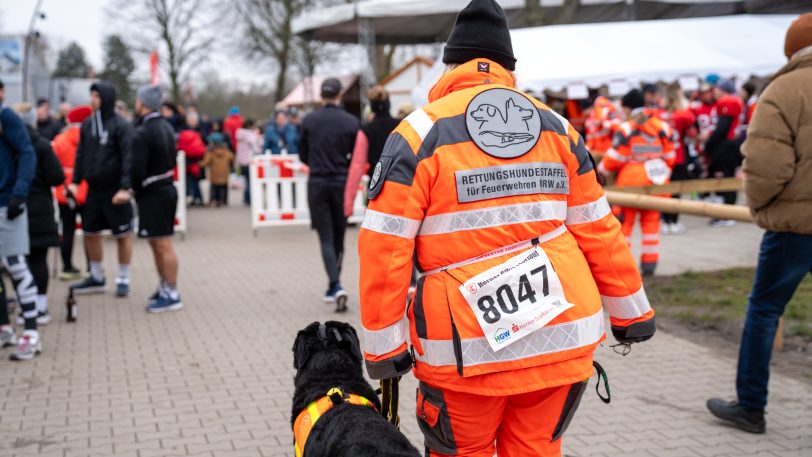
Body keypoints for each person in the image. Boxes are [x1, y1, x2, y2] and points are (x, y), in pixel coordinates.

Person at [359, 2, 655, 455]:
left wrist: (384, 351)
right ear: (507, 68)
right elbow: (599, 227)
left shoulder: (418, 134)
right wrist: (632, 315)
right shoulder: (558, 129)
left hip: (464, 351)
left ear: (450, 65)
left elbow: (385, 246)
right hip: (560, 336)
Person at [707, 13, 812, 434]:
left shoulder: (784, 89)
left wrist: (761, 206)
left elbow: (767, 164)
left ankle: (751, 407)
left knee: (765, 311)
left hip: (793, 227)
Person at [598, 89, 676, 276]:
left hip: (629, 184)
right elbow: (671, 157)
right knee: (651, 225)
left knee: (624, 226)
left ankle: (623, 267)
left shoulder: (627, 129)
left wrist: (600, 173)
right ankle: (650, 265)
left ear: (626, 107)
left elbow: (614, 158)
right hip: (656, 183)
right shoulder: (663, 127)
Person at [69, 81, 135, 297]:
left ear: (106, 98)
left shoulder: (121, 124)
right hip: (94, 190)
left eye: (97, 96)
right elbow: (81, 154)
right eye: (92, 96)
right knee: (90, 233)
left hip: (116, 190)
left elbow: (128, 156)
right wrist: (76, 181)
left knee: (122, 234)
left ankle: (123, 277)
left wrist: (126, 187)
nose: (93, 100)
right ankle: (96, 277)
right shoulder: (88, 124)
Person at [299, 77, 358, 310]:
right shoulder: (351, 121)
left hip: (318, 182)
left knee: (325, 236)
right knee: (339, 235)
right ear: (339, 95)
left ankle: (335, 284)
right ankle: (335, 284)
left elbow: (302, 154)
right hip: (341, 181)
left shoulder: (309, 120)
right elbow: (357, 154)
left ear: (321, 96)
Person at [11, 103, 65, 325]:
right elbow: (57, 177)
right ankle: (39, 306)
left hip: (16, 207)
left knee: (18, 260)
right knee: (37, 259)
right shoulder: (41, 145)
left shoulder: (10, 145)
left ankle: (29, 306)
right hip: (39, 207)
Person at [131, 85, 183, 313]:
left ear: (143, 103)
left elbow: (137, 168)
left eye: (137, 99)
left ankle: (172, 293)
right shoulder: (164, 125)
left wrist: (129, 187)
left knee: (163, 243)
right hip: (163, 188)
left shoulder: (144, 130)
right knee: (157, 242)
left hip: (154, 191)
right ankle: (164, 287)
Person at [0, 79, 41, 360]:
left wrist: (19, 194)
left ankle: (31, 334)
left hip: (7, 204)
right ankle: (5, 328)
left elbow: (28, 152)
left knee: (16, 267)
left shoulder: (6, 116)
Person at [344, 85, 401, 217]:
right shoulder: (402, 125)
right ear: (389, 104)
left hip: (376, 189)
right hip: (401, 187)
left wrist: (348, 203)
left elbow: (357, 167)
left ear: (371, 107)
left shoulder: (366, 131)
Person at [52, 106, 92, 279]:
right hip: (87, 189)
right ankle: (93, 267)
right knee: (90, 231)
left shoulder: (59, 140)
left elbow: (53, 167)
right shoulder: (91, 139)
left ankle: (67, 267)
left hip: (65, 191)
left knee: (67, 230)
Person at [703, 79, 744, 227]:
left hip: (727, 146)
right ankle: (725, 213)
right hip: (729, 145)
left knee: (725, 178)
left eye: (717, 89)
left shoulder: (728, 101)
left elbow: (722, 127)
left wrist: (709, 143)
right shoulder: (731, 100)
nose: (714, 91)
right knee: (725, 178)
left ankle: (727, 214)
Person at [660, 85, 698, 235]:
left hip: (662, 157)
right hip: (678, 156)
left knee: (664, 190)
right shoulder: (683, 115)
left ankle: (665, 220)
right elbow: (693, 134)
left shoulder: (659, 115)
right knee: (676, 191)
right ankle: (673, 221)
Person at [177, 111, 207, 206]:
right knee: (191, 180)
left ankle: (197, 198)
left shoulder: (201, 130)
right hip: (187, 160)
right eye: (191, 119)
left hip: (197, 159)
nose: (192, 121)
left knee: (196, 180)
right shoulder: (183, 130)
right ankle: (196, 197)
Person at [200, 130, 234, 207]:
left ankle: (212, 200)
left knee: (214, 188)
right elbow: (231, 157)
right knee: (223, 187)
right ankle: (222, 201)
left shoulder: (210, 152)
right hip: (224, 173)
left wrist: (200, 164)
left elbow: (206, 162)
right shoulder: (226, 150)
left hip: (214, 174)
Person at [584, 94, 620, 159]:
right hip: (597, 153)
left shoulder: (607, 109)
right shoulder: (590, 120)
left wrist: (602, 123)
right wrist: (585, 150)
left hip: (608, 151)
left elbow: (617, 125)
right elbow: (591, 138)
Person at [236, 119, 262, 205]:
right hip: (249, 160)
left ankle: (246, 198)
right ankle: (250, 199)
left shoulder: (240, 134)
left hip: (242, 161)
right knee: (250, 182)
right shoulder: (250, 135)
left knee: (246, 181)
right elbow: (256, 148)